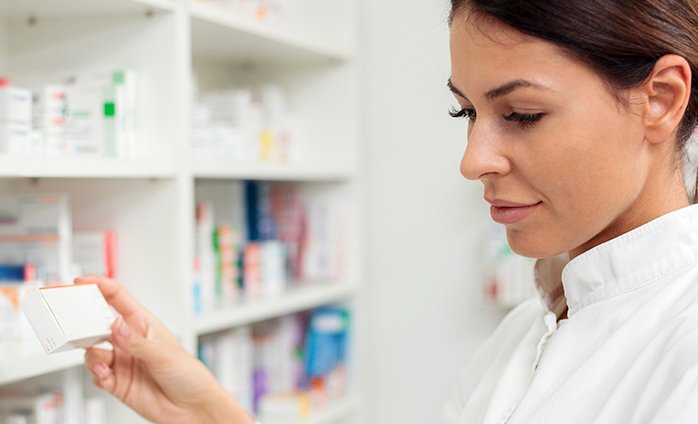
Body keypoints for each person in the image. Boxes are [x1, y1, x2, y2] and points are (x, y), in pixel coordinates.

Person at [79, 0, 698, 423]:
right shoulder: (526, 331)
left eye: (522, 115)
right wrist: (211, 413)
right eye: (466, 113)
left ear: (660, 99)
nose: (473, 160)